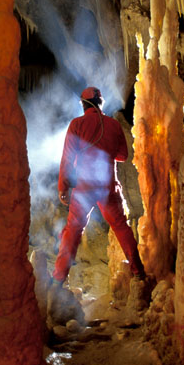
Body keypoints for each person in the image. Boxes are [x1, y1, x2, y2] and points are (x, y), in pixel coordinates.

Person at [53, 86, 149, 289]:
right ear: (100, 103)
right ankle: (139, 272)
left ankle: (59, 278)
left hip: (83, 187)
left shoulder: (77, 124)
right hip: (107, 186)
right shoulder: (113, 125)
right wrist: (105, 149)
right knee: (121, 227)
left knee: (73, 230)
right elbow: (122, 155)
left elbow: (67, 158)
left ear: (84, 104)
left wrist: (63, 186)